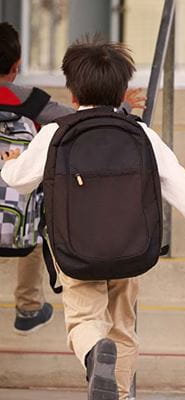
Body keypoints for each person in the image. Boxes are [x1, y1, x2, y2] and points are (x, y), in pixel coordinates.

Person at [0, 38, 185, 400]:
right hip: (129, 247)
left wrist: (9, 165)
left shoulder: (56, 131)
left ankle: (93, 353)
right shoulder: (140, 131)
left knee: (86, 319)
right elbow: (176, 178)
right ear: (124, 91)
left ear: (72, 93)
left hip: (75, 248)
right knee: (123, 325)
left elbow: (19, 182)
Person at [0, 22, 144, 335]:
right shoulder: (29, 100)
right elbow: (84, 119)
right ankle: (28, 307)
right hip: (17, 205)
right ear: (15, 66)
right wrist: (124, 107)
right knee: (37, 227)